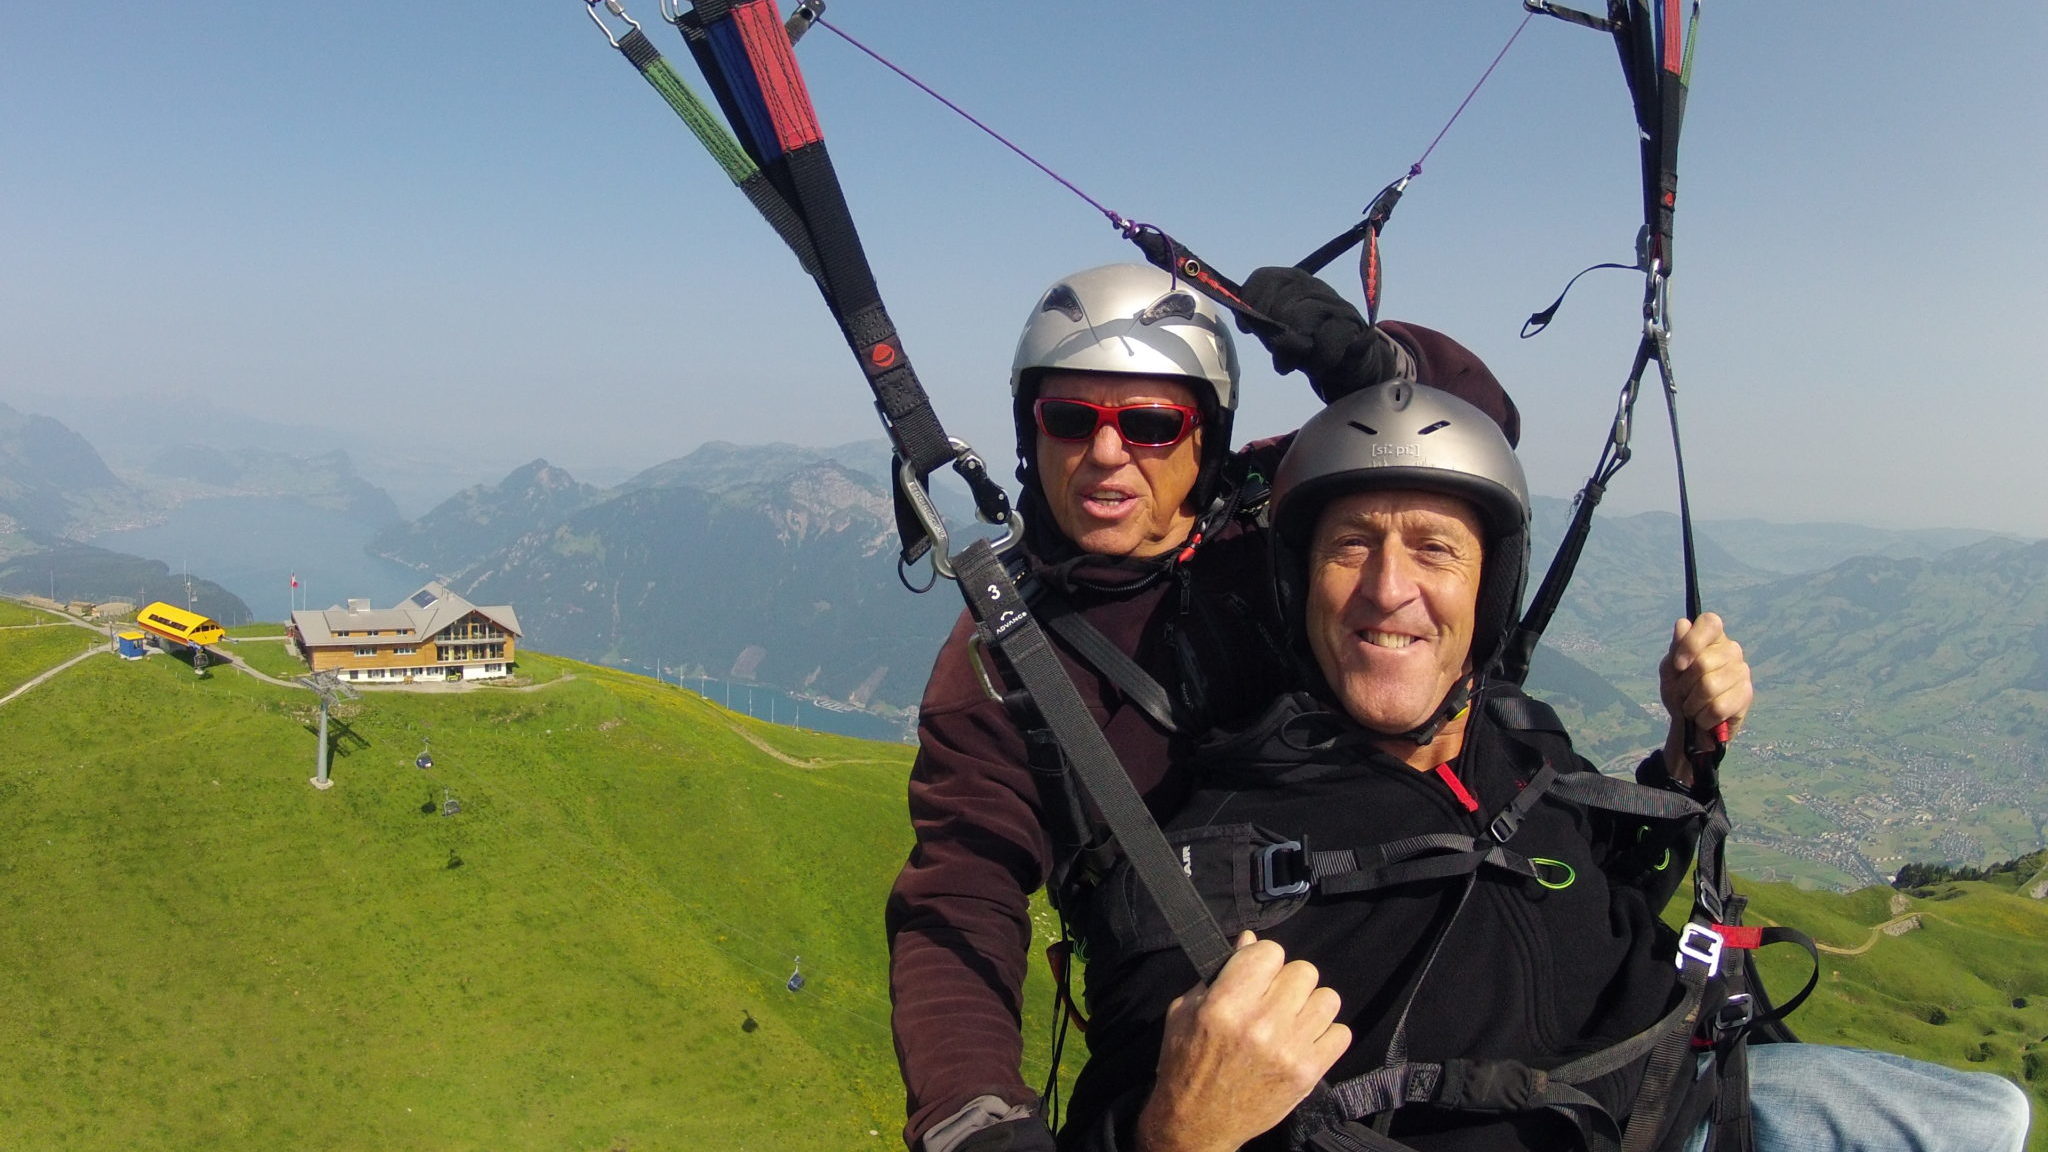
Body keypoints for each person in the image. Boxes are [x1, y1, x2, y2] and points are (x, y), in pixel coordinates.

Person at [1054, 381, 2032, 1152]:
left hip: (1698, 1100)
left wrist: (1684, 757)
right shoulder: (1223, 850)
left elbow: (1594, 889)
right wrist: (1177, 1135)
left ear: (1488, 590)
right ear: (1298, 582)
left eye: (1434, 550)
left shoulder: (1517, 738)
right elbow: (1124, 1086)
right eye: (1351, 547)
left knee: (1993, 1115)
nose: (1389, 589)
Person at [886, 264, 1512, 1152]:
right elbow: (961, 894)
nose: (1106, 454)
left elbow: (1466, 443)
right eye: (1070, 419)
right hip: (1203, 1046)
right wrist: (974, 1113)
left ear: (1206, 437)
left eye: (1150, 424)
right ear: (1032, 433)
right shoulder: (1004, 660)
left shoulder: (1283, 515)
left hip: (1427, 950)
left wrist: (1375, 367)